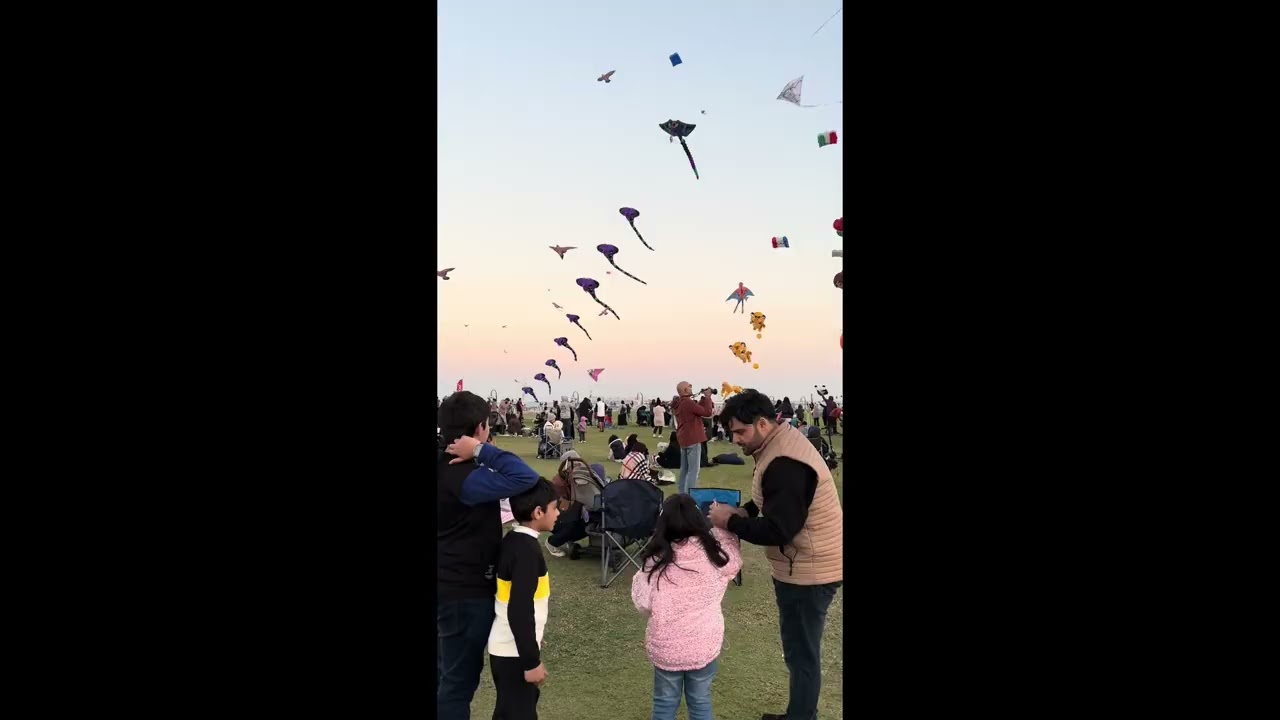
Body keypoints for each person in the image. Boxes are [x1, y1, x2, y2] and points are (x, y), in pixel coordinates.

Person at [707, 390, 843, 720]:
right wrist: (745, 509)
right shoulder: (780, 444)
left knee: (802, 655)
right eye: (732, 432)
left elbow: (780, 529)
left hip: (810, 571)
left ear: (764, 423)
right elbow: (775, 500)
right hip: (805, 565)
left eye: (741, 431)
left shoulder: (785, 463)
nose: (736, 439)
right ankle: (798, 714)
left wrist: (732, 521)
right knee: (798, 651)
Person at [436, 391, 540, 720]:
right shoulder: (463, 476)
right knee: (456, 683)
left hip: (448, 582)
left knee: (446, 674)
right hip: (464, 592)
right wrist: (482, 450)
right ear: (480, 427)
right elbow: (527, 478)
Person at [632, 494, 743, 720]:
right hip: (704, 646)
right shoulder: (716, 556)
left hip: (666, 649)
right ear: (699, 521)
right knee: (700, 701)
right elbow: (734, 557)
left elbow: (643, 604)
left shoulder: (655, 562)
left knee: (664, 704)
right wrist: (723, 529)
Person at [488, 478, 560, 720]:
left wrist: (533, 639)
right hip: (513, 653)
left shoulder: (514, 540)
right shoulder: (526, 551)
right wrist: (530, 660)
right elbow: (519, 609)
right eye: (554, 507)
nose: (558, 513)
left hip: (510, 647)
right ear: (538, 512)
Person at [545, 450, 602, 557]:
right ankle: (552, 542)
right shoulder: (558, 483)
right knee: (574, 521)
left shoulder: (581, 477)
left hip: (568, 515)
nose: (577, 467)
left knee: (589, 524)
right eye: (574, 464)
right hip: (556, 517)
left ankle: (566, 538)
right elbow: (563, 507)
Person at [672, 382, 714, 495]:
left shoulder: (679, 403)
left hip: (683, 438)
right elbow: (707, 413)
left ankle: (682, 494)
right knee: (693, 471)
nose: (692, 389)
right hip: (693, 438)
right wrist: (708, 397)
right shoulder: (687, 402)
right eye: (690, 387)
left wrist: (703, 399)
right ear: (685, 390)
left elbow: (695, 410)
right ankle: (689, 496)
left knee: (684, 469)